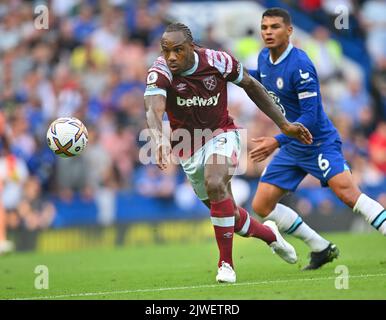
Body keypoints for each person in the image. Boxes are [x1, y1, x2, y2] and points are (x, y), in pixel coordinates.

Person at [143, 22, 313, 283]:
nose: (171, 57)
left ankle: (226, 265)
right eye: (166, 50)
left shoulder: (217, 61)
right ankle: (270, 235)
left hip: (222, 134)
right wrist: (158, 138)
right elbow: (153, 108)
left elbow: (252, 85)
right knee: (229, 215)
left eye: (178, 50)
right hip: (187, 146)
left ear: (192, 47)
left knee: (214, 182)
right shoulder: (160, 70)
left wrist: (284, 124)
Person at [249, 8, 386, 270]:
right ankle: (320, 247)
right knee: (262, 205)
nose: (268, 32)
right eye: (265, 27)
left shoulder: (300, 65)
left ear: (289, 31)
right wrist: (234, 73)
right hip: (293, 147)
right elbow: (260, 78)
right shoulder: (264, 57)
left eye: (275, 27)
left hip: (317, 142)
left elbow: (310, 117)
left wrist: (276, 141)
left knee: (348, 194)